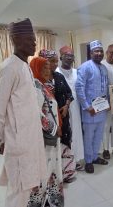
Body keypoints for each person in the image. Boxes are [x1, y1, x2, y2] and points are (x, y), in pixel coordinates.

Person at [0, 18, 47, 207]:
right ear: (15, 39)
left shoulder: (25, 66)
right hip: (18, 141)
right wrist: (1, 139)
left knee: (29, 186)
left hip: (31, 139)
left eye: (34, 39)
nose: (34, 42)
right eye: (29, 38)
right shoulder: (10, 67)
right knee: (18, 191)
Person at [28, 57, 64, 207]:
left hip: (51, 137)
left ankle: (50, 201)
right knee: (45, 170)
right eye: (43, 67)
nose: (47, 70)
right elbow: (37, 113)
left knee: (51, 169)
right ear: (35, 68)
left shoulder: (43, 86)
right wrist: (55, 129)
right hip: (45, 138)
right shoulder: (35, 87)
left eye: (48, 68)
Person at [39, 49, 76, 183]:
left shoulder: (59, 77)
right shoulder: (38, 80)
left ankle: (67, 174)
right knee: (51, 150)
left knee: (65, 145)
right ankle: (53, 177)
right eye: (52, 61)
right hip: (48, 122)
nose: (55, 64)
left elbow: (69, 94)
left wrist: (66, 106)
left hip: (63, 119)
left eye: (56, 60)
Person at [75, 40, 109, 173]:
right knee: (88, 137)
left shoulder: (104, 68)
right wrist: (87, 106)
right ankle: (88, 160)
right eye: (96, 51)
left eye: (101, 51)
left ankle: (95, 156)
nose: (99, 53)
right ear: (91, 53)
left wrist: (107, 103)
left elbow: (105, 88)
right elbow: (79, 87)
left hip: (101, 109)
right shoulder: (85, 67)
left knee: (99, 135)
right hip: (90, 111)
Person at [56, 45, 85, 171]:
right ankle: (65, 163)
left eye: (71, 55)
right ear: (60, 57)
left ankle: (76, 160)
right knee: (65, 135)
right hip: (62, 109)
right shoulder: (56, 73)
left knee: (77, 134)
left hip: (76, 108)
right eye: (66, 55)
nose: (69, 58)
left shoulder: (77, 72)